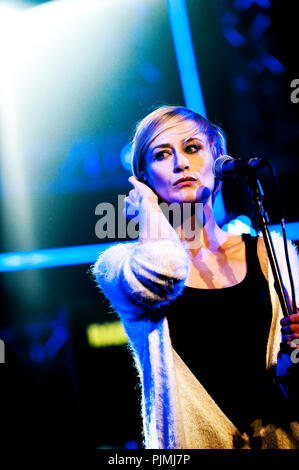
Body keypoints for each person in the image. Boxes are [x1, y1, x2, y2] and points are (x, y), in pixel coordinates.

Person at [92, 106, 299, 449]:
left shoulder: (271, 251)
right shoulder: (119, 266)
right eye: (162, 154)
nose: (180, 163)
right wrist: (148, 209)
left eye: (192, 148)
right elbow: (163, 271)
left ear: (218, 159)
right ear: (143, 177)